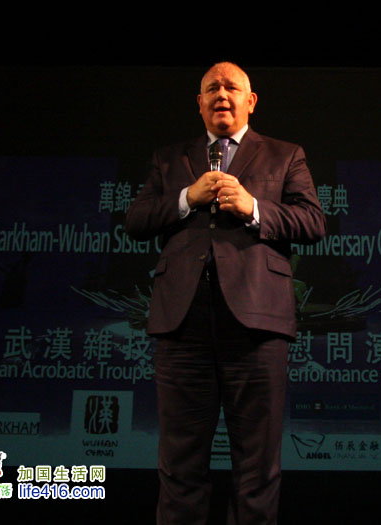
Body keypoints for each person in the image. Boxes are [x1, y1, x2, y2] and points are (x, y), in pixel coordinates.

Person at [125, 62, 326, 524]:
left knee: (257, 465)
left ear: (250, 101)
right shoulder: (169, 158)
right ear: (199, 103)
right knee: (179, 465)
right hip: (183, 323)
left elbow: (313, 222)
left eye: (231, 87)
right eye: (211, 88)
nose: (221, 94)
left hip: (257, 322)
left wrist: (254, 207)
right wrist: (186, 199)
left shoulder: (285, 155)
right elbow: (135, 220)